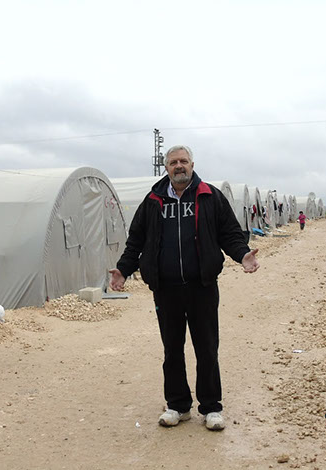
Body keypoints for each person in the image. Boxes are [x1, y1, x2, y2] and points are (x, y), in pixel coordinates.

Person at [109, 145, 260, 431]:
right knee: (172, 350)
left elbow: (229, 233)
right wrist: (123, 269)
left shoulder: (209, 196)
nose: (179, 166)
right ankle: (178, 406)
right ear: (166, 168)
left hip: (202, 286)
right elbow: (136, 240)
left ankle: (211, 407)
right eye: (173, 162)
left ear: (192, 165)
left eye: (184, 161)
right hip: (166, 289)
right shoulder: (153, 201)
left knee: (207, 348)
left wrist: (242, 255)